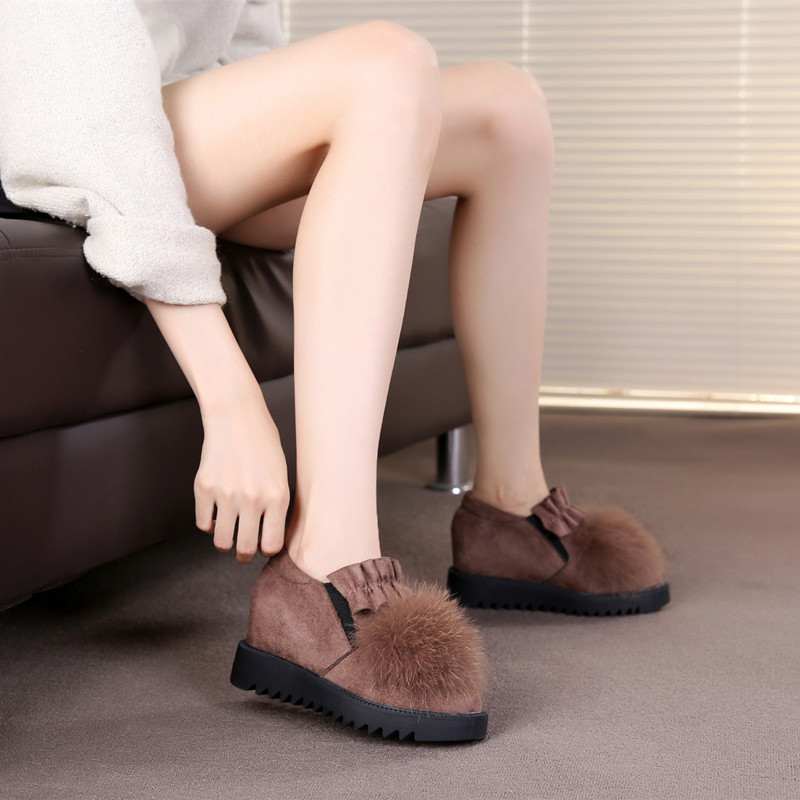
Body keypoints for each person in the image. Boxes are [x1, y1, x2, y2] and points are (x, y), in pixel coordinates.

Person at [0, 1, 669, 742]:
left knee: (507, 109)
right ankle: (327, 561)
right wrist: (232, 400)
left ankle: (510, 510)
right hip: (56, 126)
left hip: (165, 113)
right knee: (385, 63)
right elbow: (73, 97)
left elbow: (239, 46)